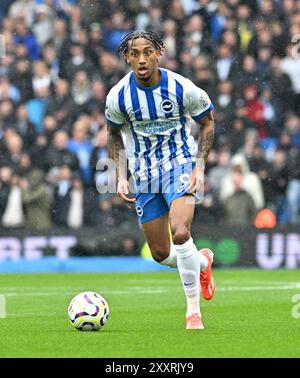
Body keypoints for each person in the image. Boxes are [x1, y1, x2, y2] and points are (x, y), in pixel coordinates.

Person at [105, 30, 215, 330]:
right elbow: (113, 135)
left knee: (180, 233)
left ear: (158, 53)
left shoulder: (182, 88)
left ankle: (193, 311)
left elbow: (207, 122)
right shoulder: (119, 96)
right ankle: (203, 263)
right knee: (161, 254)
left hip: (180, 166)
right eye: (135, 53)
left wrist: (199, 166)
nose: (142, 59)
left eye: (147, 52)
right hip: (143, 174)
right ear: (127, 57)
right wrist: (120, 175)